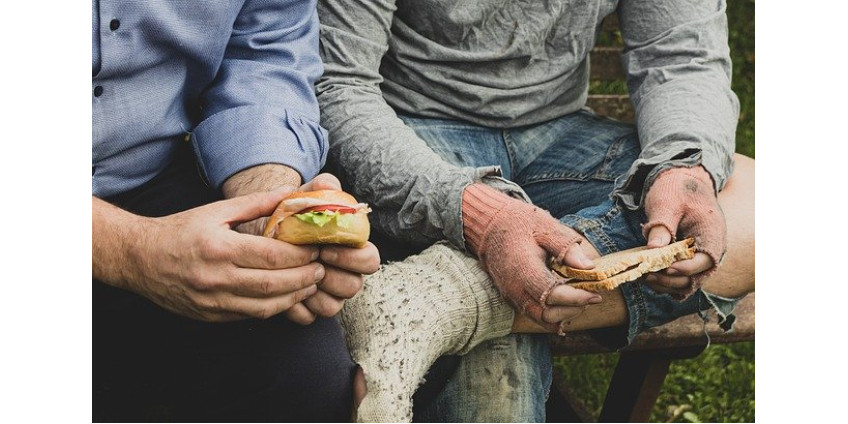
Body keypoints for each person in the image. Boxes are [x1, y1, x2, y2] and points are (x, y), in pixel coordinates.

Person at [316, 0, 755, 421]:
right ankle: (465, 298)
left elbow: (681, 54)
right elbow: (339, 84)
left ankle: (435, 298)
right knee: (498, 380)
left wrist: (683, 171)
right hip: (411, 130)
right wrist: (482, 217)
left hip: (562, 135)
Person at [91, 1, 380, 421]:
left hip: (153, 177)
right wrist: (130, 251)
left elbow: (265, 47)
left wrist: (269, 210)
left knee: (306, 382)